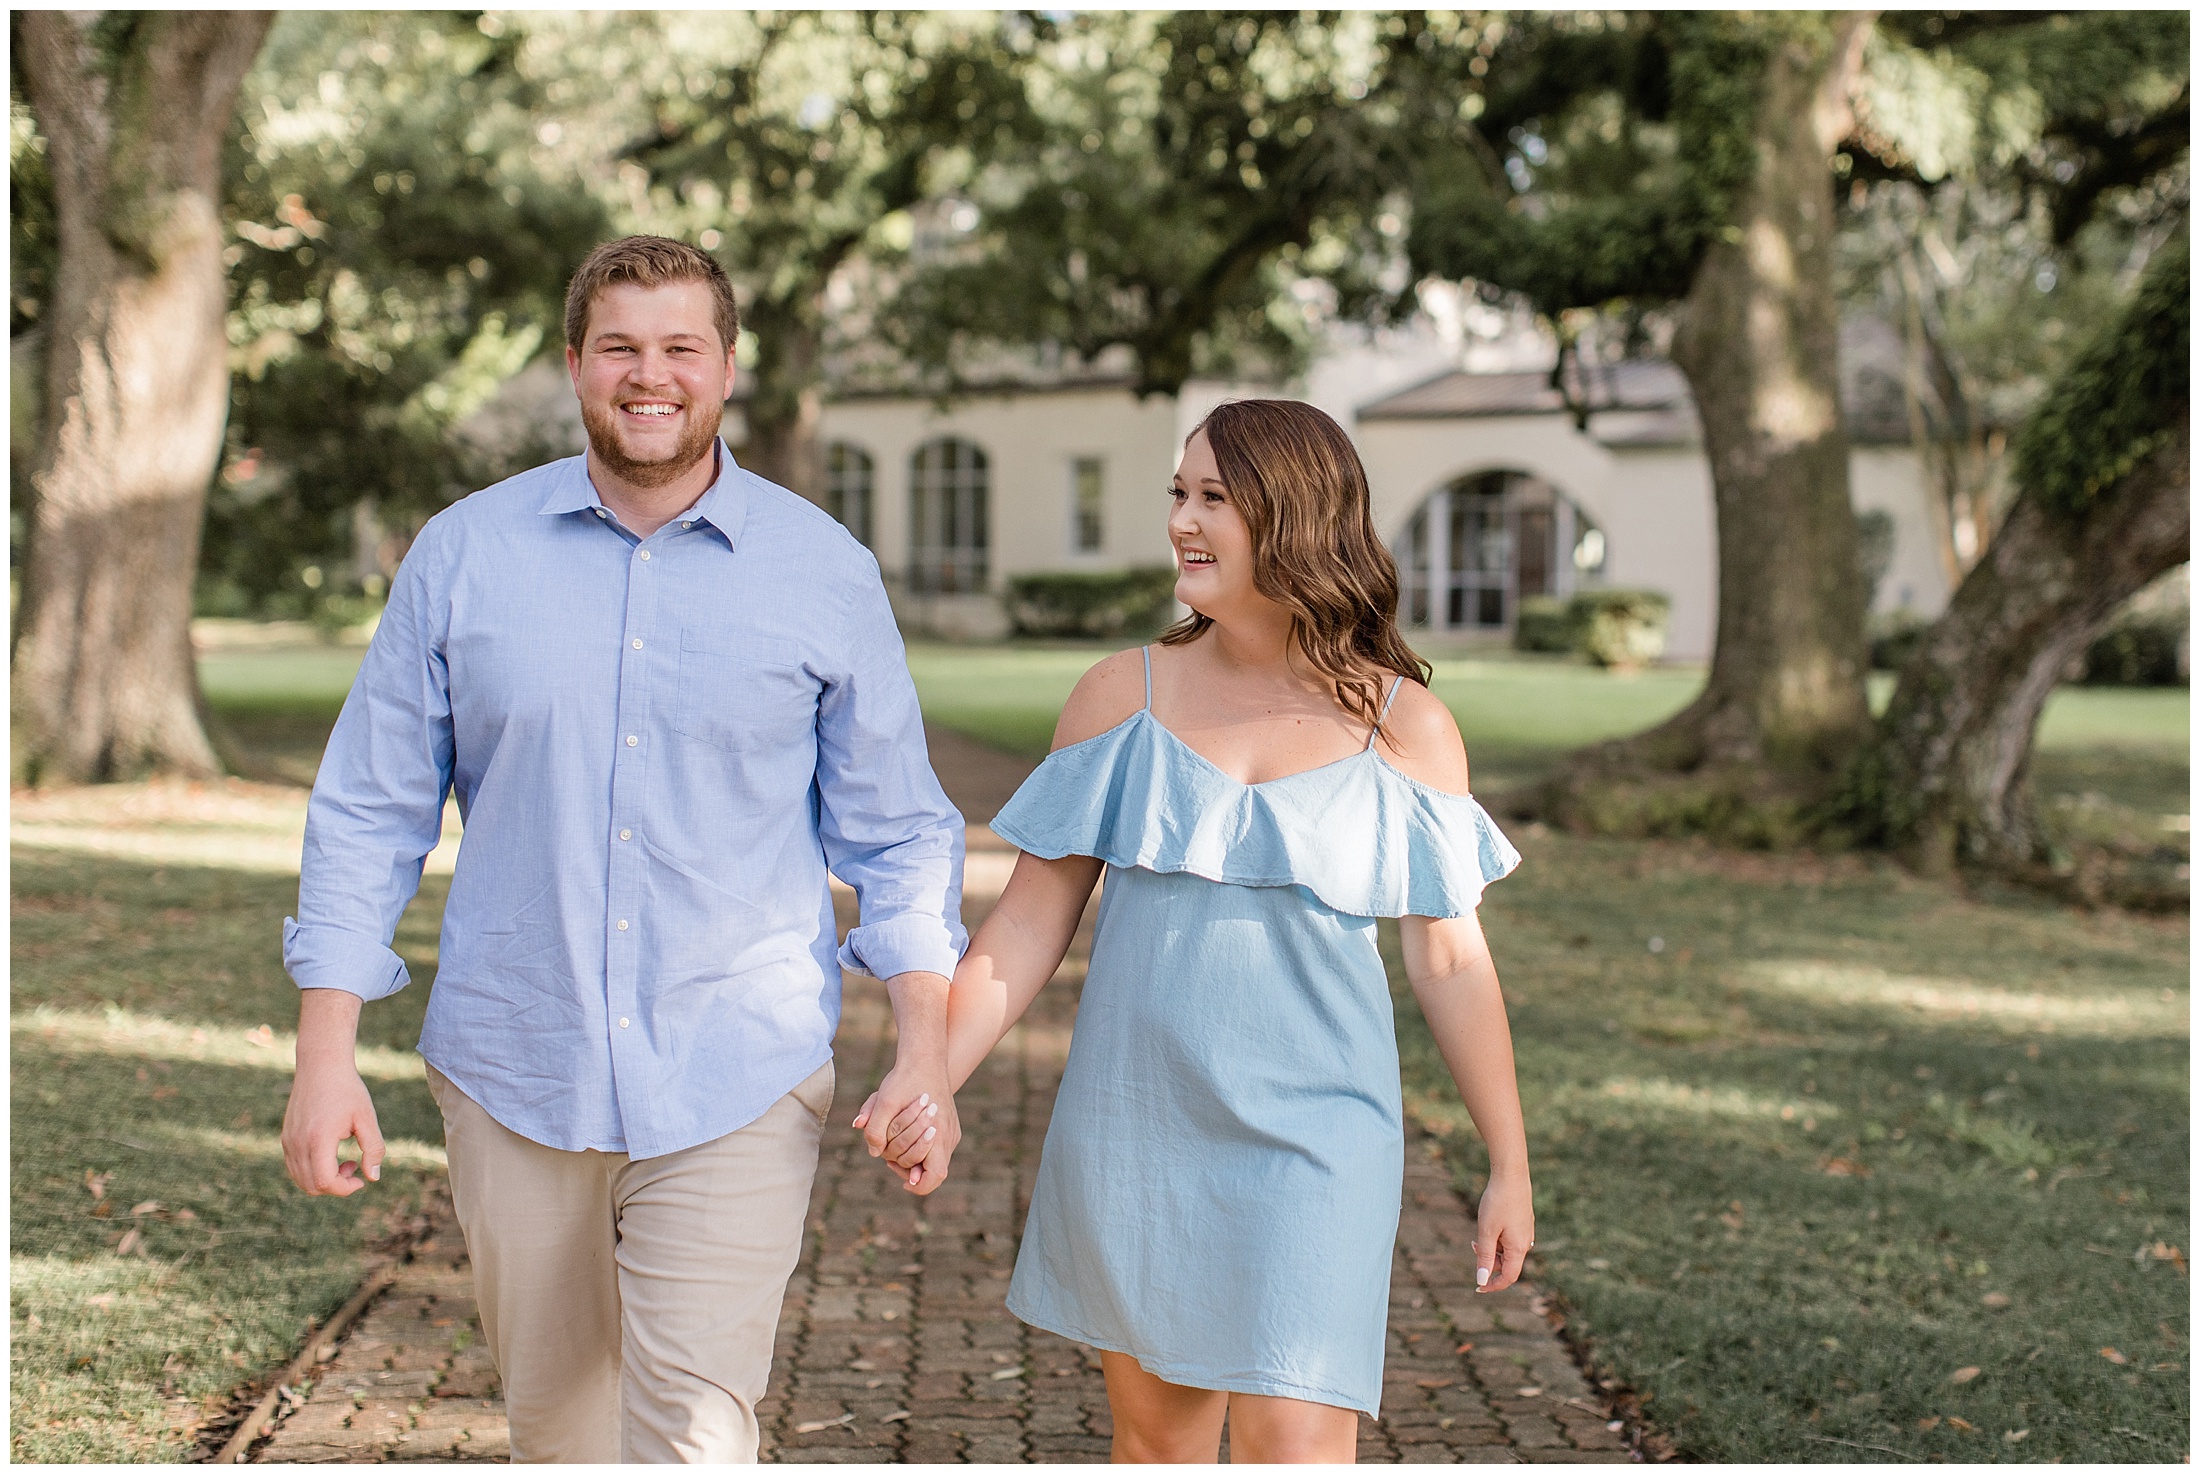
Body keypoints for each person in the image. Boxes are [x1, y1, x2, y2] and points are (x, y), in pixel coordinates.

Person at [279, 235, 967, 1463]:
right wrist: (325, 1056)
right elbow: (369, 812)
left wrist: (926, 1053)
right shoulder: (463, 556)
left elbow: (900, 831)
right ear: (575, 365)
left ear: (726, 368)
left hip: (735, 1068)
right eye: (620, 348)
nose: (651, 377)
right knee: (561, 1434)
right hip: (514, 1064)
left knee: (694, 1433)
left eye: (680, 348)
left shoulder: (822, 571)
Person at [860, 399, 1534, 1462]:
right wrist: (932, 1071)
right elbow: (1027, 926)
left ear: (1297, 517)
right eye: (1179, 492)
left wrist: (1509, 1159)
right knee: (1159, 1448)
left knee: (1294, 1444)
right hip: (1139, 1125)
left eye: (1214, 497)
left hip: (1321, 1139)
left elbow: (1449, 957)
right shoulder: (1115, 699)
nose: (1183, 518)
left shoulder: (1403, 727)